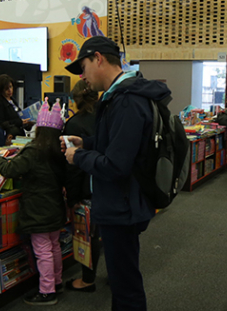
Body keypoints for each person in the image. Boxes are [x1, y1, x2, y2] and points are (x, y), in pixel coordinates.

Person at [62, 36, 170, 311]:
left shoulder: (126, 101)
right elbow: (120, 145)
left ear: (98, 58)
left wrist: (78, 156)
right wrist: (86, 143)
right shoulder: (120, 97)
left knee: (125, 285)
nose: (83, 76)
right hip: (124, 202)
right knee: (123, 280)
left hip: (122, 206)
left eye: (83, 67)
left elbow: (116, 165)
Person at [0, 103, 68, 305]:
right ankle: (57, 282)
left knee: (42, 249)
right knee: (54, 246)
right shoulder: (59, 150)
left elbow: (11, 170)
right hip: (55, 207)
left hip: (38, 209)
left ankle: (47, 291)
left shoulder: (33, 150)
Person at [63, 80, 101, 292]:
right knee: (107, 233)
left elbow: (72, 164)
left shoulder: (74, 124)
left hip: (86, 186)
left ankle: (87, 279)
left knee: (87, 234)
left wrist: (72, 196)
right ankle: (115, 275)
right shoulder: (107, 119)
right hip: (107, 182)